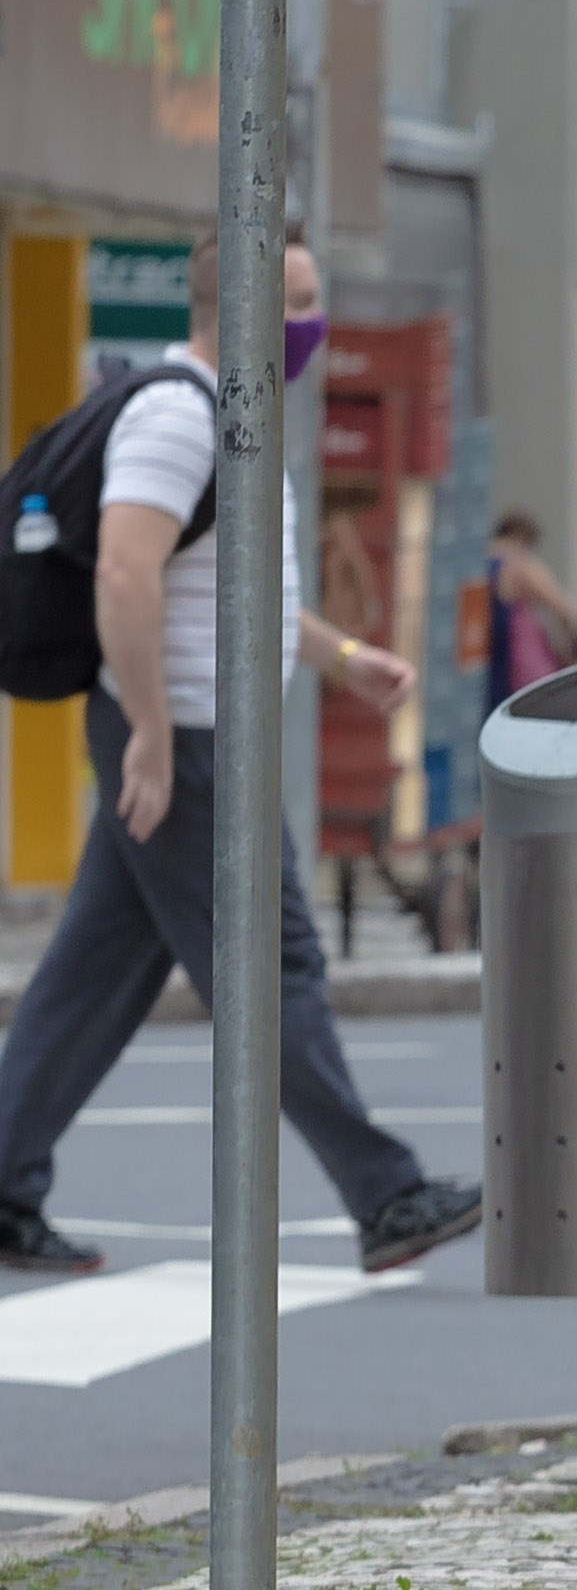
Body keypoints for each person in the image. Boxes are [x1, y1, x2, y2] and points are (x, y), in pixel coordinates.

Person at [0, 241, 485, 1276]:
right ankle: (388, 1196)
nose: (314, 324)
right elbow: (125, 575)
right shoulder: (180, 415)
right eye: (300, 304)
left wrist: (344, 658)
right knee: (276, 969)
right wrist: (152, 737)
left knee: (94, 977)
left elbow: (235, 588)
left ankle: (0, 1182)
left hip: (192, 735)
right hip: (188, 740)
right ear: (249, 306)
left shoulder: (234, 418)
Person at [484, 510, 577, 700]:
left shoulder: (483, 559)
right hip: (516, 656)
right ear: (523, 538)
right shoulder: (520, 563)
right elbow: (563, 608)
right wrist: (569, 652)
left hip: (490, 656)